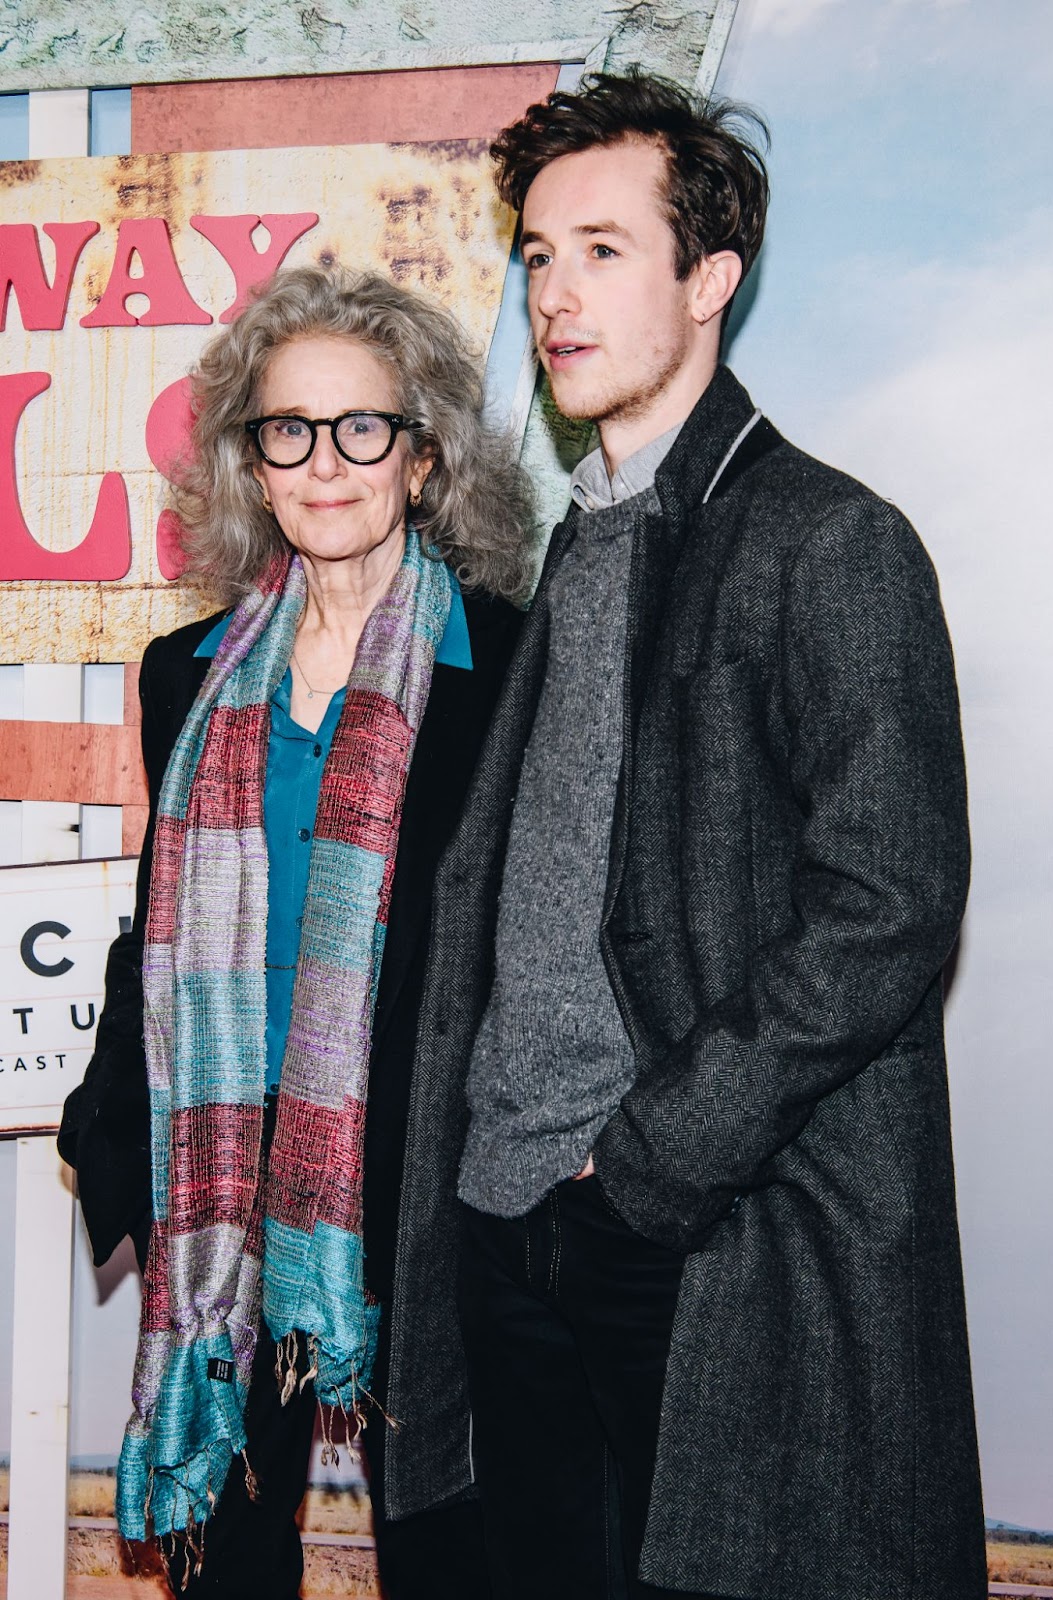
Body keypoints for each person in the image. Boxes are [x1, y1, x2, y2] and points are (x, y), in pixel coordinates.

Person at [376, 71, 988, 1600]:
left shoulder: (828, 541)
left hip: (696, 1236)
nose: (555, 296)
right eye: (534, 255)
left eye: (601, 250)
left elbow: (889, 905)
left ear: (709, 278)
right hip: (509, 1220)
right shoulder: (575, 544)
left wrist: (648, 1169)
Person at [58, 263, 533, 1600]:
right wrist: (111, 1119)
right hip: (219, 1168)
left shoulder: (508, 664)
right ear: (249, 463)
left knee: (447, 1546)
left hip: (425, 1181)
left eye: (362, 427)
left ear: (425, 456)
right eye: (287, 430)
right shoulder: (187, 674)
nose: (325, 463)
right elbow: (159, 914)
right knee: (233, 1560)